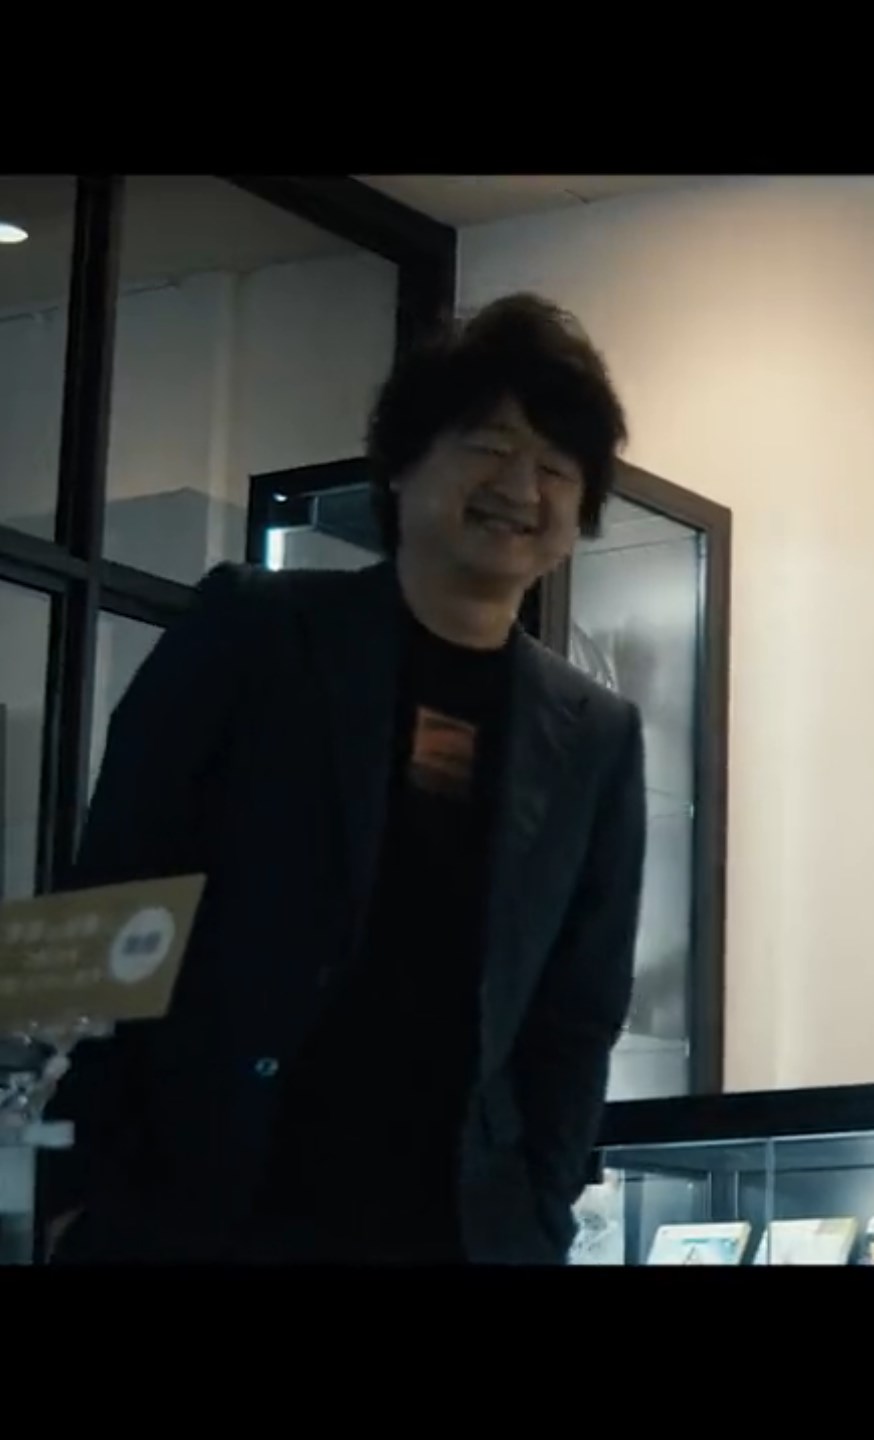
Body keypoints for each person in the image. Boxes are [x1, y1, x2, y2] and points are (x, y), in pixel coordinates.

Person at [40, 294, 647, 1264]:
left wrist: (540, 1207)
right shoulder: (254, 632)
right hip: (205, 1201)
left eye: (556, 468)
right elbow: (114, 896)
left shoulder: (596, 737)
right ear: (403, 463)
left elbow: (579, 1011)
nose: (519, 487)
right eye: (489, 447)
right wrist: (77, 1193)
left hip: (456, 1227)